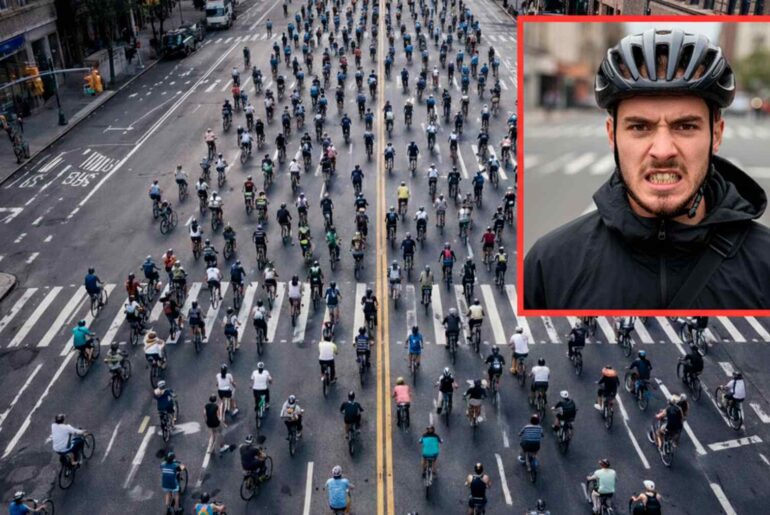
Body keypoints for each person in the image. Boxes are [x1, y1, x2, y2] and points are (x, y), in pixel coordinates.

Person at [524, 28, 770, 309]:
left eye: (685, 126)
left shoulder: (765, 265)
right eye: (640, 127)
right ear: (611, 135)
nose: (663, 150)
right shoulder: (550, 266)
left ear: (716, 134)